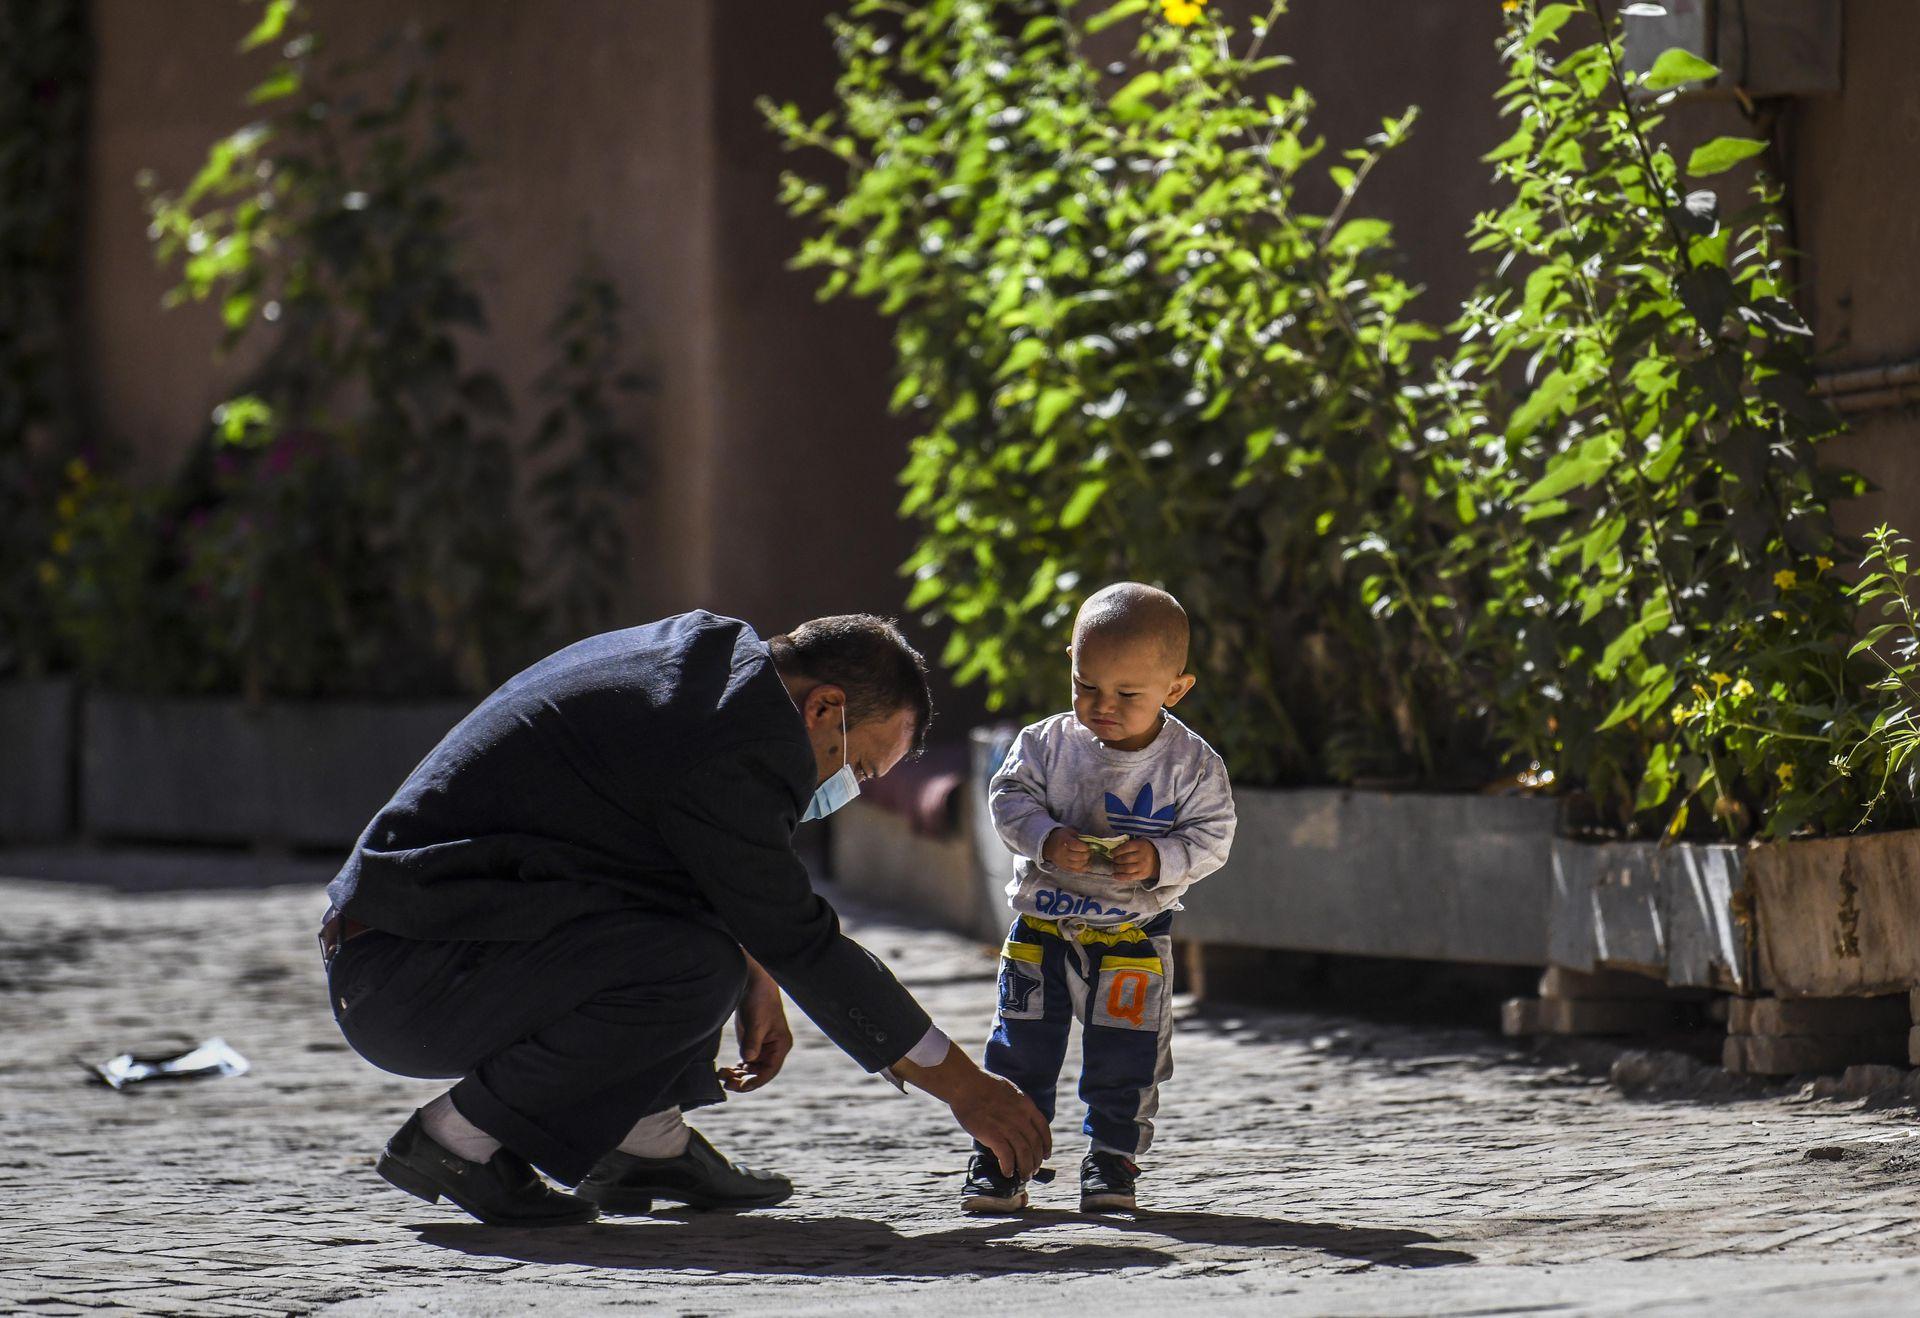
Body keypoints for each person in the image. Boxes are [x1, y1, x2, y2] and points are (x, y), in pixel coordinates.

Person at [320, 610, 1050, 1227]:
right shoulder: (734, 745)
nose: (842, 789)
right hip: (402, 977)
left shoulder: (716, 668)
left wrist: (757, 971)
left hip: (417, 950)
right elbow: (804, 940)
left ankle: (644, 1144)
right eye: (856, 767)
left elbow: (709, 873)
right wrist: (968, 1089)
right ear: (824, 708)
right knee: (695, 966)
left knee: (712, 949)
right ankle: (458, 1138)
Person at [964, 582, 1236, 1214]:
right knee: (1019, 1045)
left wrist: (1163, 858)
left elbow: (1214, 837)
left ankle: (1113, 1158)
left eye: (1127, 695)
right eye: (1087, 687)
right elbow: (1008, 801)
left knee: (1128, 1053)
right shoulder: (1045, 745)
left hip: (1134, 938)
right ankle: (1002, 1159)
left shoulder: (1193, 766)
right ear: (1071, 664)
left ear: (1175, 690)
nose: (1102, 706)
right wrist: (1045, 839)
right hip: (1042, 931)